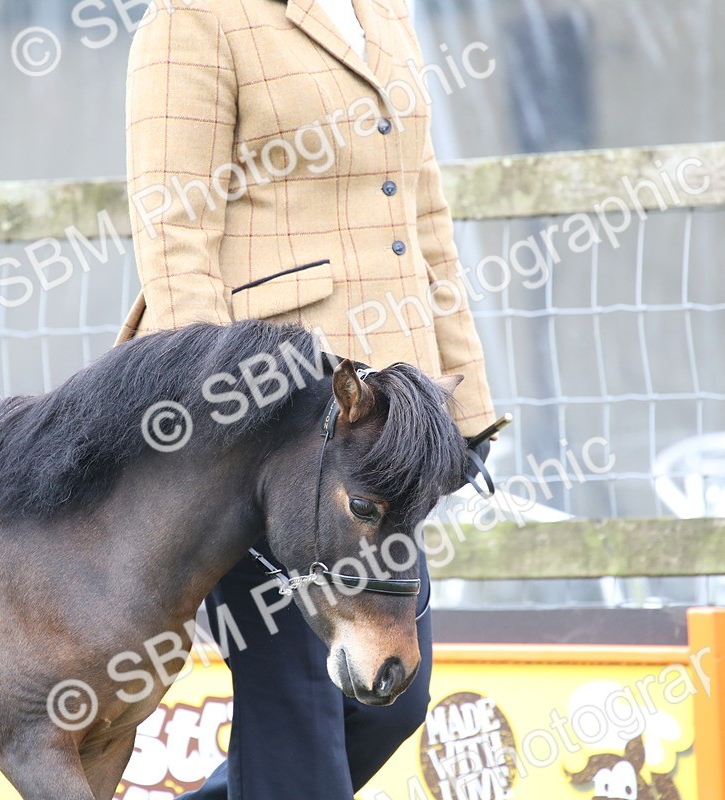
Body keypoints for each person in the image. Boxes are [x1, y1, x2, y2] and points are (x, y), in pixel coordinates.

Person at [116, 0, 498, 795]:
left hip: (383, 437)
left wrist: (463, 408)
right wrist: (219, 416)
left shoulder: (386, 13)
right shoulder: (194, 17)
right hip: (270, 427)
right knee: (297, 708)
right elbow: (174, 234)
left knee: (394, 701)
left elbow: (423, 218)